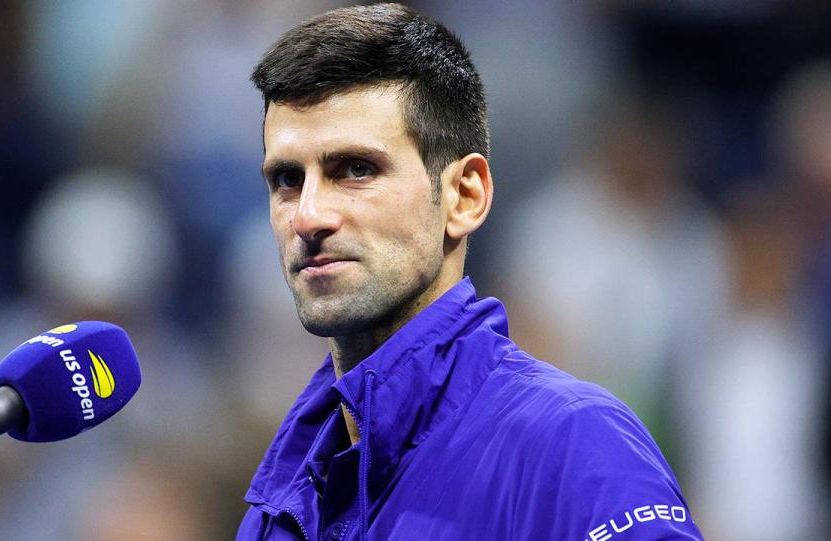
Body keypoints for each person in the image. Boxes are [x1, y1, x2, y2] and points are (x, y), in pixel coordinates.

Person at [237, 4, 703, 540]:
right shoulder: (280, 502)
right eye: (287, 179)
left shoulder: (574, 445)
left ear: (464, 196)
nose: (309, 216)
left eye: (357, 169)